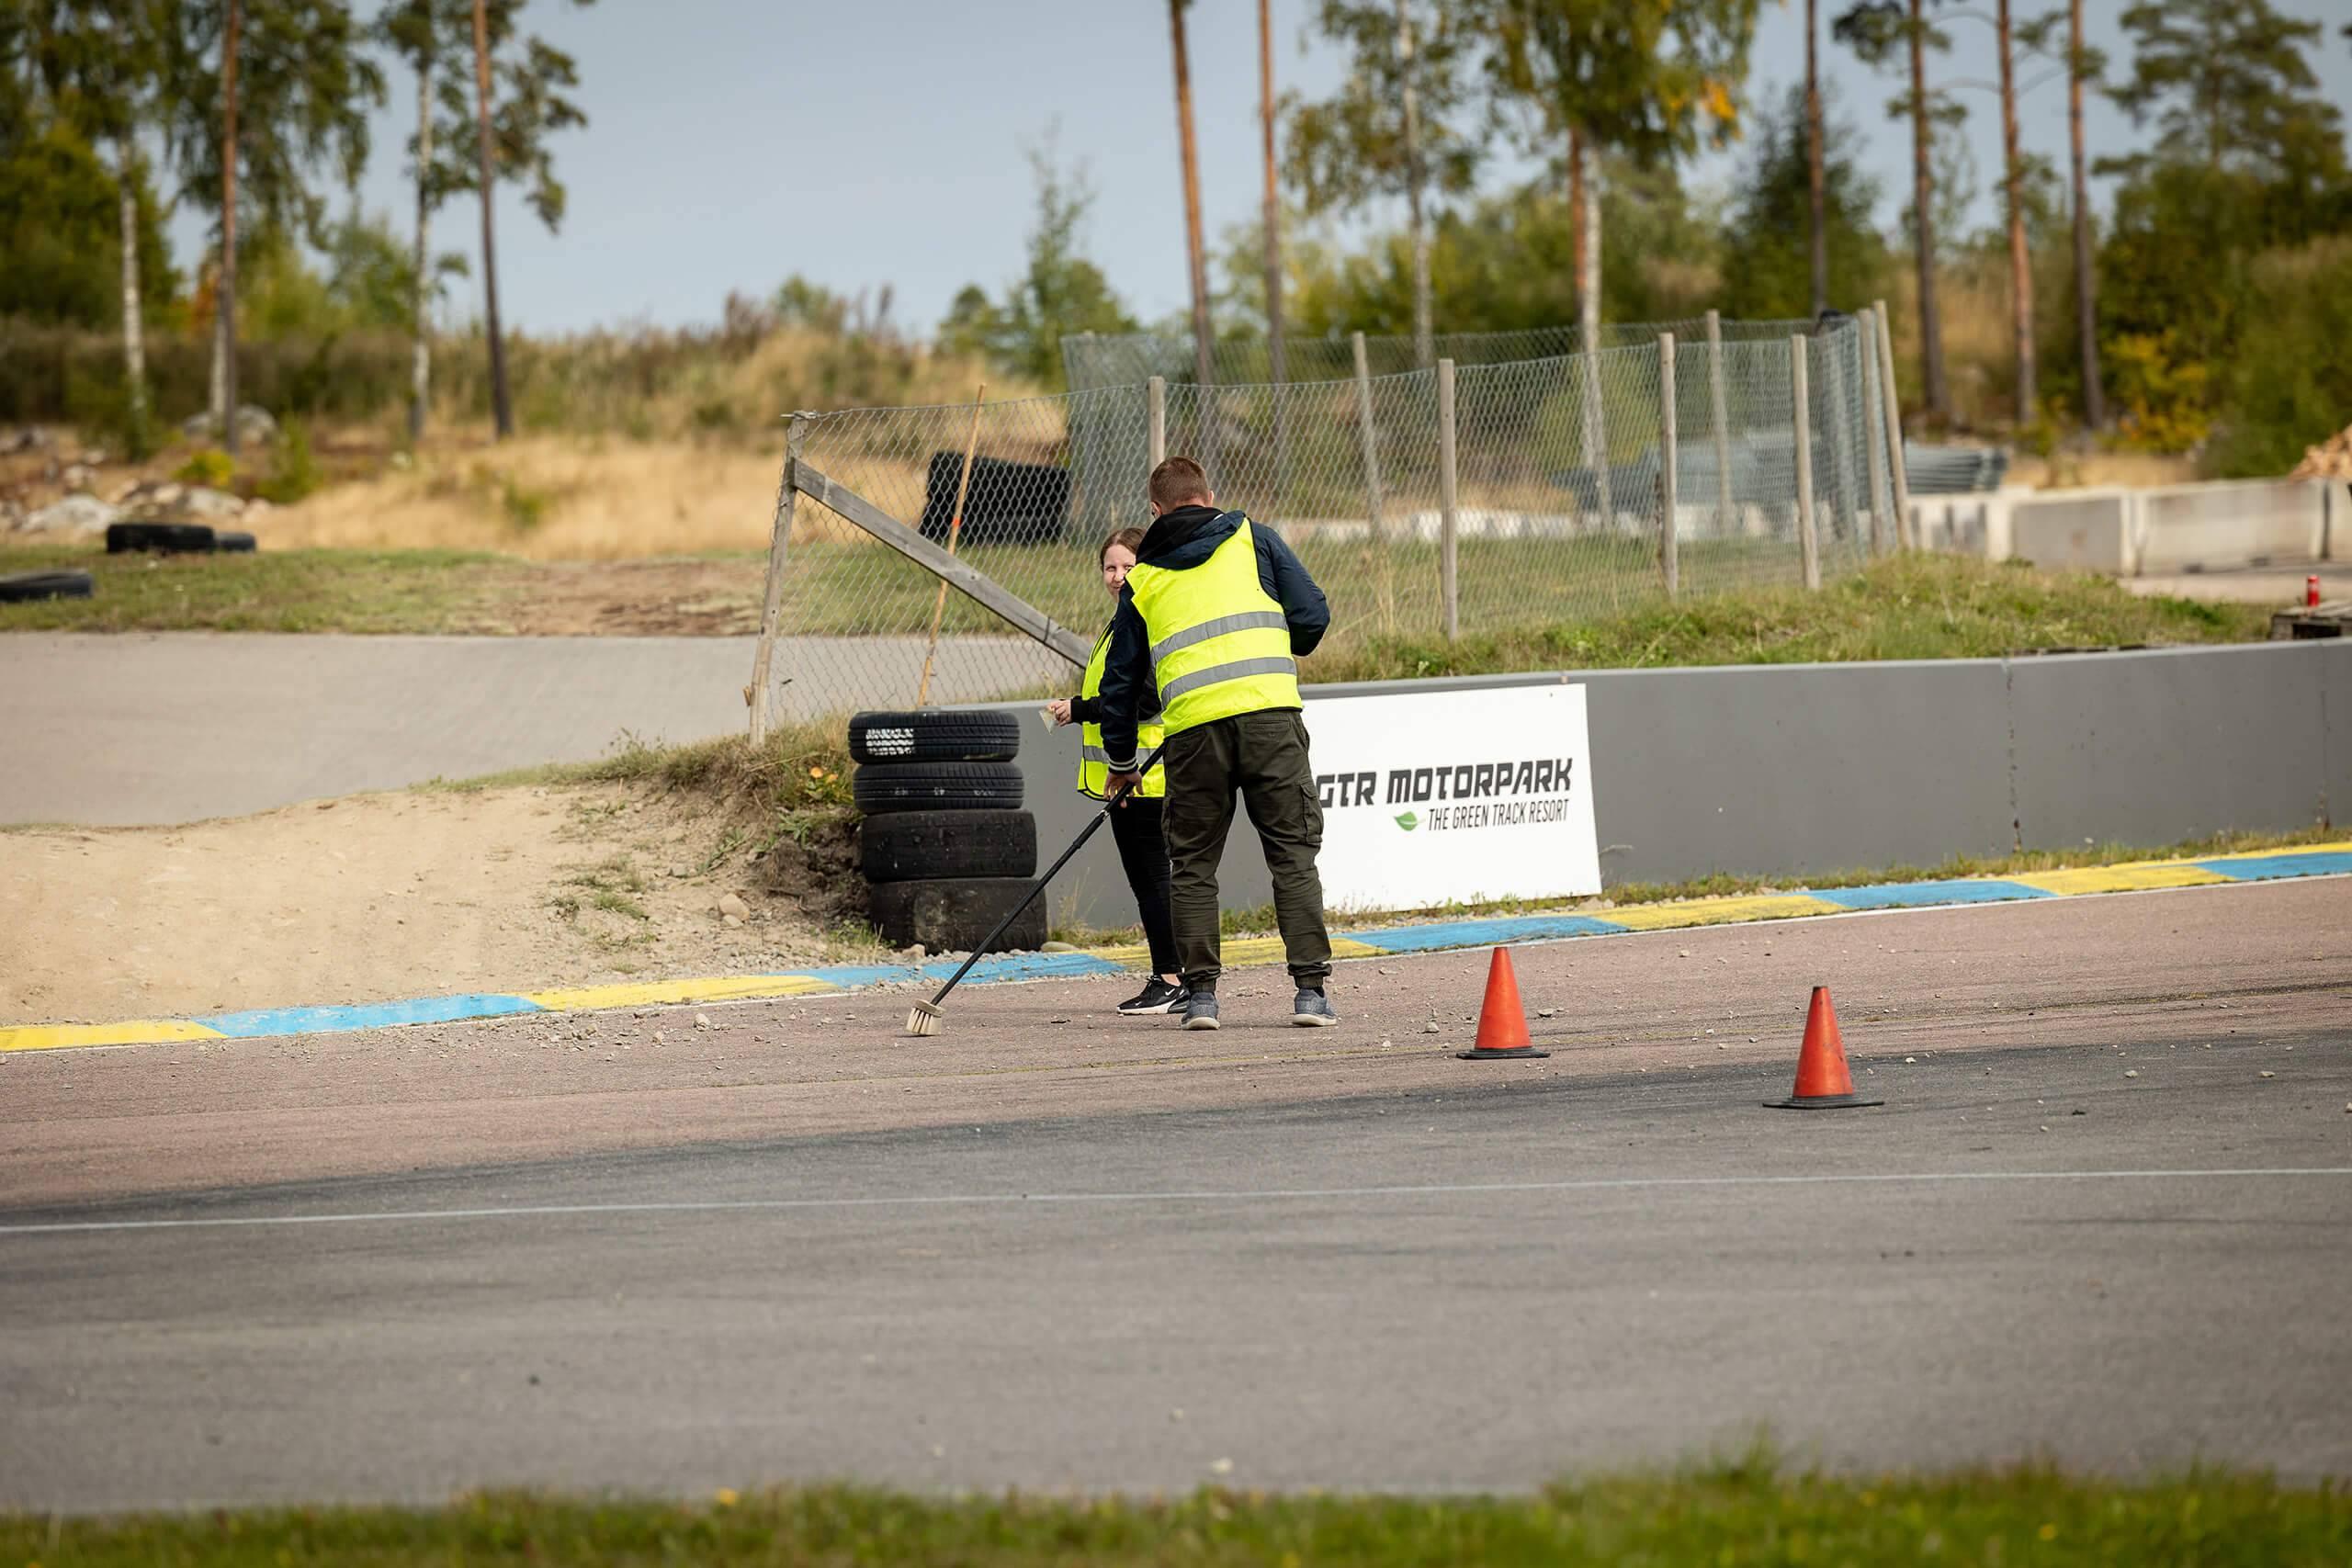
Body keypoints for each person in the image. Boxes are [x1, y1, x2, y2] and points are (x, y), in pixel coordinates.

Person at [1097, 457, 1335, 1031]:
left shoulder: (1143, 580)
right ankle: (1310, 994)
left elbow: (1120, 684)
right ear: (1208, 497)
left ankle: (1201, 998)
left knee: (1192, 866)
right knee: (1292, 856)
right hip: (1271, 721)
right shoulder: (1255, 539)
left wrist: (1122, 761)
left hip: (1193, 736)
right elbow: (1312, 617)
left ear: (1155, 511)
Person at [1045, 528, 1187, 1016]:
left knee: (1153, 878)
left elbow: (1143, 699)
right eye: (1110, 567)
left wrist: (1082, 708)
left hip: (1144, 776)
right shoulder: (1123, 620)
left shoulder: (1146, 619)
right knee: (1151, 878)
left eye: (1129, 566)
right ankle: (1176, 975)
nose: (1118, 576)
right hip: (1130, 775)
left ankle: (1171, 978)